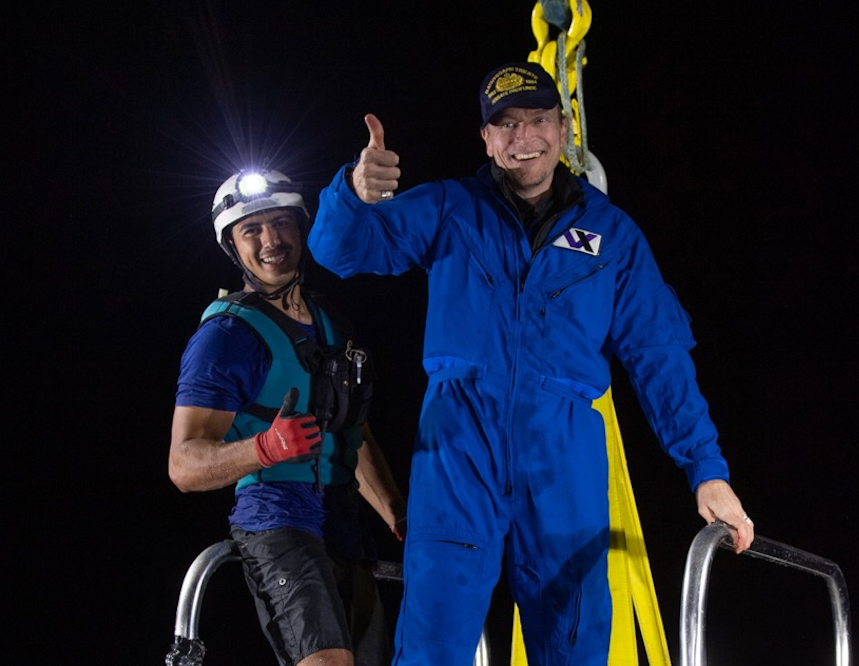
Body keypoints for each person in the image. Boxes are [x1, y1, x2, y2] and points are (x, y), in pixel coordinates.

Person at [307, 61, 755, 666]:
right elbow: (340, 251)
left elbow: (659, 357)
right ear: (486, 138)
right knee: (433, 643)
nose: (525, 138)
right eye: (507, 124)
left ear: (564, 127)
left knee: (572, 643)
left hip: (565, 457)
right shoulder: (448, 208)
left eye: (539, 120)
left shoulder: (612, 235)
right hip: (457, 453)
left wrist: (707, 469)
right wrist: (353, 195)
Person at [169, 169, 407, 666]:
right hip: (276, 518)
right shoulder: (226, 337)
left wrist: (398, 515)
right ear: (233, 245)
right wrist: (263, 448)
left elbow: (353, 433)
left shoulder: (331, 324)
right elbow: (184, 465)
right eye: (251, 229)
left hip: (343, 521)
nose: (271, 240)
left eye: (281, 223)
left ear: (301, 229)